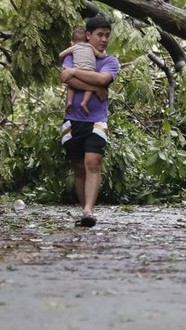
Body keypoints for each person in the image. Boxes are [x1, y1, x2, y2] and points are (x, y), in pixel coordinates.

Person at [60, 16, 119, 228]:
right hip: (72, 120)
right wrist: (95, 88)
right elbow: (66, 77)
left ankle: (89, 210)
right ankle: (84, 210)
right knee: (78, 166)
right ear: (88, 35)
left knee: (93, 162)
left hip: (97, 120)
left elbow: (103, 79)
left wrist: (77, 72)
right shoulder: (74, 53)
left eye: (107, 36)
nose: (104, 39)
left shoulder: (110, 61)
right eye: (99, 35)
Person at [58, 27, 106, 115]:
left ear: (72, 42)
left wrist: (62, 61)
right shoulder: (90, 46)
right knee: (90, 87)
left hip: (77, 69)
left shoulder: (73, 48)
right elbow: (100, 55)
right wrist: (104, 54)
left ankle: (69, 102)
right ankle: (84, 102)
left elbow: (60, 55)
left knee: (71, 87)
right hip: (89, 71)